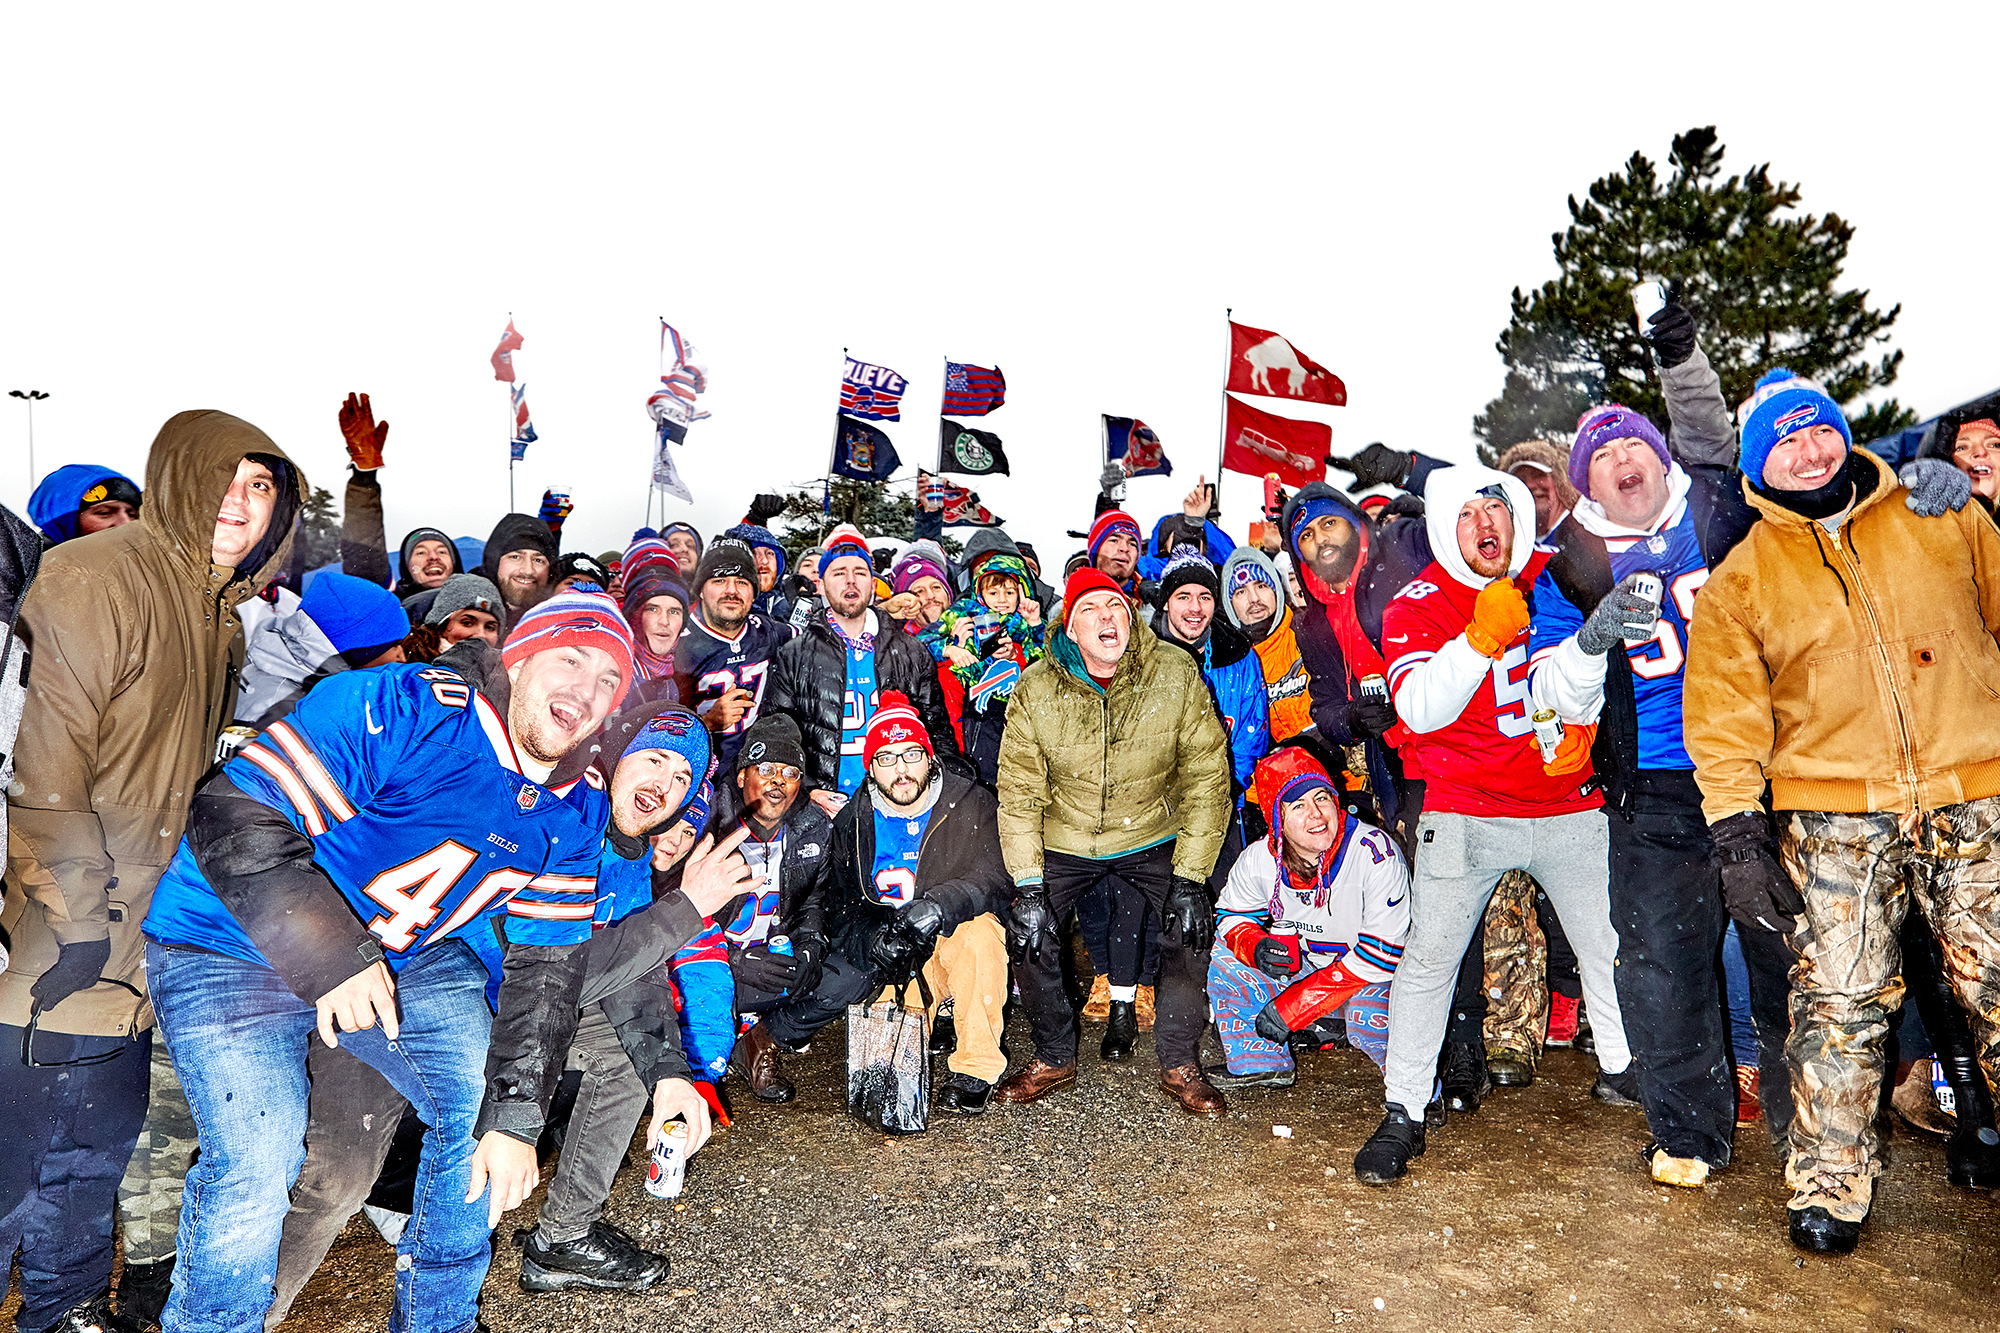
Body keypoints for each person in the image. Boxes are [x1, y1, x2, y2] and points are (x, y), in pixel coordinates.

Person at [139, 588, 634, 1331]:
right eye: (571, 658)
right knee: (259, 1155)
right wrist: (333, 953)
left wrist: (520, 1114)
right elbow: (234, 812)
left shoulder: (576, 801)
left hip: (393, 948)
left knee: (486, 1108)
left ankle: (438, 1318)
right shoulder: (410, 706)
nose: (585, 691)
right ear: (520, 654)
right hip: (227, 936)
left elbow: (548, 967)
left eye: (608, 681)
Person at [260, 690, 752, 1313]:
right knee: (340, 1171)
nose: (665, 782)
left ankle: (560, 1239)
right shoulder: (562, 816)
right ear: (615, 755)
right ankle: (254, 1309)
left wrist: (672, 1077)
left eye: (682, 777)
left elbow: (632, 976)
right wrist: (685, 912)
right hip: (412, 994)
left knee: (624, 1068)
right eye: (653, 759)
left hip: (506, 1022)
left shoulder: (632, 859)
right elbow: (550, 975)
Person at [1684, 367, 2000, 1255]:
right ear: (1757, 465)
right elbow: (1722, 714)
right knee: (1838, 998)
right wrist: (1738, 832)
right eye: (1783, 440)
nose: (1808, 450)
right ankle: (1831, 1175)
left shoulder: (1940, 516)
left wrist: (1980, 508)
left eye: (1818, 429)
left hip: (1975, 788)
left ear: (1843, 432)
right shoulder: (1742, 579)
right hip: (1834, 818)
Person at [4, 411, 303, 1333]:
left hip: (147, 933)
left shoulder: (221, 617)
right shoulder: (98, 576)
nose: (241, 502)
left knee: (95, 1153)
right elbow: (47, 771)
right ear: (178, 476)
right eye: (227, 478)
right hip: (70, 935)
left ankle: (58, 1313)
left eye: (262, 487)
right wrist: (74, 923)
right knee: (20, 1159)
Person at [1351, 464, 1636, 1188]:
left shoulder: (1553, 577)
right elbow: (1417, 708)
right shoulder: (1419, 601)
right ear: (1448, 525)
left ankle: (1629, 1068)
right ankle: (1404, 1107)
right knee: (1431, 957)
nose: (1488, 523)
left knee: (1608, 944)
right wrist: (1476, 642)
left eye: (1499, 509)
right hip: (1467, 802)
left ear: (1518, 519)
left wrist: (1587, 692)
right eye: (1472, 511)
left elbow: (1571, 679)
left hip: (1566, 800)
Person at [993, 566, 1233, 1114]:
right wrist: (1030, 887)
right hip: (1067, 835)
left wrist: (1192, 877)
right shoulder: (1035, 688)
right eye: (1091, 610)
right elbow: (1020, 793)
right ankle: (1054, 1052)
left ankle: (1178, 1058)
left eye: (1117, 608)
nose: (1108, 618)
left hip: (1151, 828)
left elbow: (1206, 776)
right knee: (1028, 933)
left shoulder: (1173, 673)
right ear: (1070, 629)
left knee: (1191, 926)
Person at [824, 694, 1014, 1112]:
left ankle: (976, 1065)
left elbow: (997, 877)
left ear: (929, 757)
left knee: (981, 935)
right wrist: (873, 940)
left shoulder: (970, 802)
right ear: (871, 768)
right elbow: (837, 906)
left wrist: (941, 905)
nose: (902, 769)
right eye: (887, 758)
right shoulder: (852, 823)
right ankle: (932, 1017)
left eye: (911, 754)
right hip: (899, 958)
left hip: (951, 938)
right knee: (883, 1081)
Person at [1207, 748, 1409, 1090]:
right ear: (1277, 820)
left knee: (1371, 1017)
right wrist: (1255, 946)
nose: (1316, 815)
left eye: (1322, 798)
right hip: (1312, 969)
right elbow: (1230, 916)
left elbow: (1381, 959)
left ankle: (1413, 1087)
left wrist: (1293, 1009)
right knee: (1227, 963)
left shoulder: (1375, 854)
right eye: (1297, 806)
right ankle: (1261, 1061)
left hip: (1376, 977)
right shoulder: (1261, 857)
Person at [704, 713, 861, 1104]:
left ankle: (762, 1039)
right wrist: (734, 961)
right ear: (741, 776)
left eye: (790, 772)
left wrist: (810, 946)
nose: (777, 781)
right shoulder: (706, 817)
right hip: (712, 969)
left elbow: (813, 901)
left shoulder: (812, 825)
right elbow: (673, 910)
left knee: (852, 977)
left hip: (775, 963)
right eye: (767, 769)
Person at [766, 525, 965, 815]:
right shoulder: (794, 654)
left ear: (872, 583)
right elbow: (779, 736)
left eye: (860, 573)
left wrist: (936, 792)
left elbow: (938, 732)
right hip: (826, 808)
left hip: (898, 805)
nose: (850, 581)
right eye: (838, 573)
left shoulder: (910, 650)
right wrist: (807, 792)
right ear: (820, 585)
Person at [918, 535, 1045, 786]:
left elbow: (1040, 660)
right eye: (993, 592)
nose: (1001, 599)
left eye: (1009, 592)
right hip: (968, 695)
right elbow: (923, 639)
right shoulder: (964, 611)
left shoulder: (1020, 620)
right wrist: (950, 649)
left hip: (1006, 705)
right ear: (980, 591)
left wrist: (1035, 626)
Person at [674, 535, 793, 772]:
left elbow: (824, 633)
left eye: (742, 582)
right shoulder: (674, 641)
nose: (731, 591)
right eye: (719, 580)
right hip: (692, 774)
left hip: (751, 777)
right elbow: (651, 730)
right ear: (701, 589)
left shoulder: (766, 629)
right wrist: (707, 722)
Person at [235, 570, 410, 727]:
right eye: (395, 645)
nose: (402, 657)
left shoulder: (309, 681)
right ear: (362, 652)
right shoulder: (285, 712)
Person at [1221, 547, 1314, 759]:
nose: (1254, 599)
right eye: (1240, 592)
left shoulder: (1310, 632)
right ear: (1230, 604)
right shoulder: (1230, 663)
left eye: (1261, 586)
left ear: (1276, 590)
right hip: (1273, 783)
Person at [25, 464, 142, 546]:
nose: (126, 522)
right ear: (63, 522)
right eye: (104, 513)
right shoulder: (30, 576)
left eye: (131, 513)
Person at [399, 573, 505, 663]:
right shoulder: (408, 670)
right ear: (441, 626)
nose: (481, 634)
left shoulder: (508, 674)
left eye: (490, 627)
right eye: (467, 623)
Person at [480, 511, 558, 632]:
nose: (527, 570)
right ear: (494, 563)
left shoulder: (559, 620)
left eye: (538, 560)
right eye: (515, 557)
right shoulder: (465, 611)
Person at [623, 564, 690, 704]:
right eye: (652, 609)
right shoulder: (619, 678)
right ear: (634, 618)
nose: (664, 622)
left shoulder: (669, 683)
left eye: (674, 612)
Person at [1496, 439, 1578, 539]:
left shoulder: (1588, 530)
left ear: (1561, 480)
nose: (1529, 485)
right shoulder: (1513, 544)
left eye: (1538, 475)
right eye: (1520, 480)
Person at [725, 522, 791, 620]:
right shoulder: (720, 606)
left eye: (770, 553)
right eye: (753, 554)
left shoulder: (791, 605)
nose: (764, 561)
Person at [886, 541, 954, 628]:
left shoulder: (973, 629)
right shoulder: (889, 639)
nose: (930, 596)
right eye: (919, 591)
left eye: (936, 587)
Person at [393, 526, 462, 598]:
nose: (433, 557)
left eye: (441, 552)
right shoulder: (390, 604)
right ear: (407, 566)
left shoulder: (473, 597)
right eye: (421, 553)